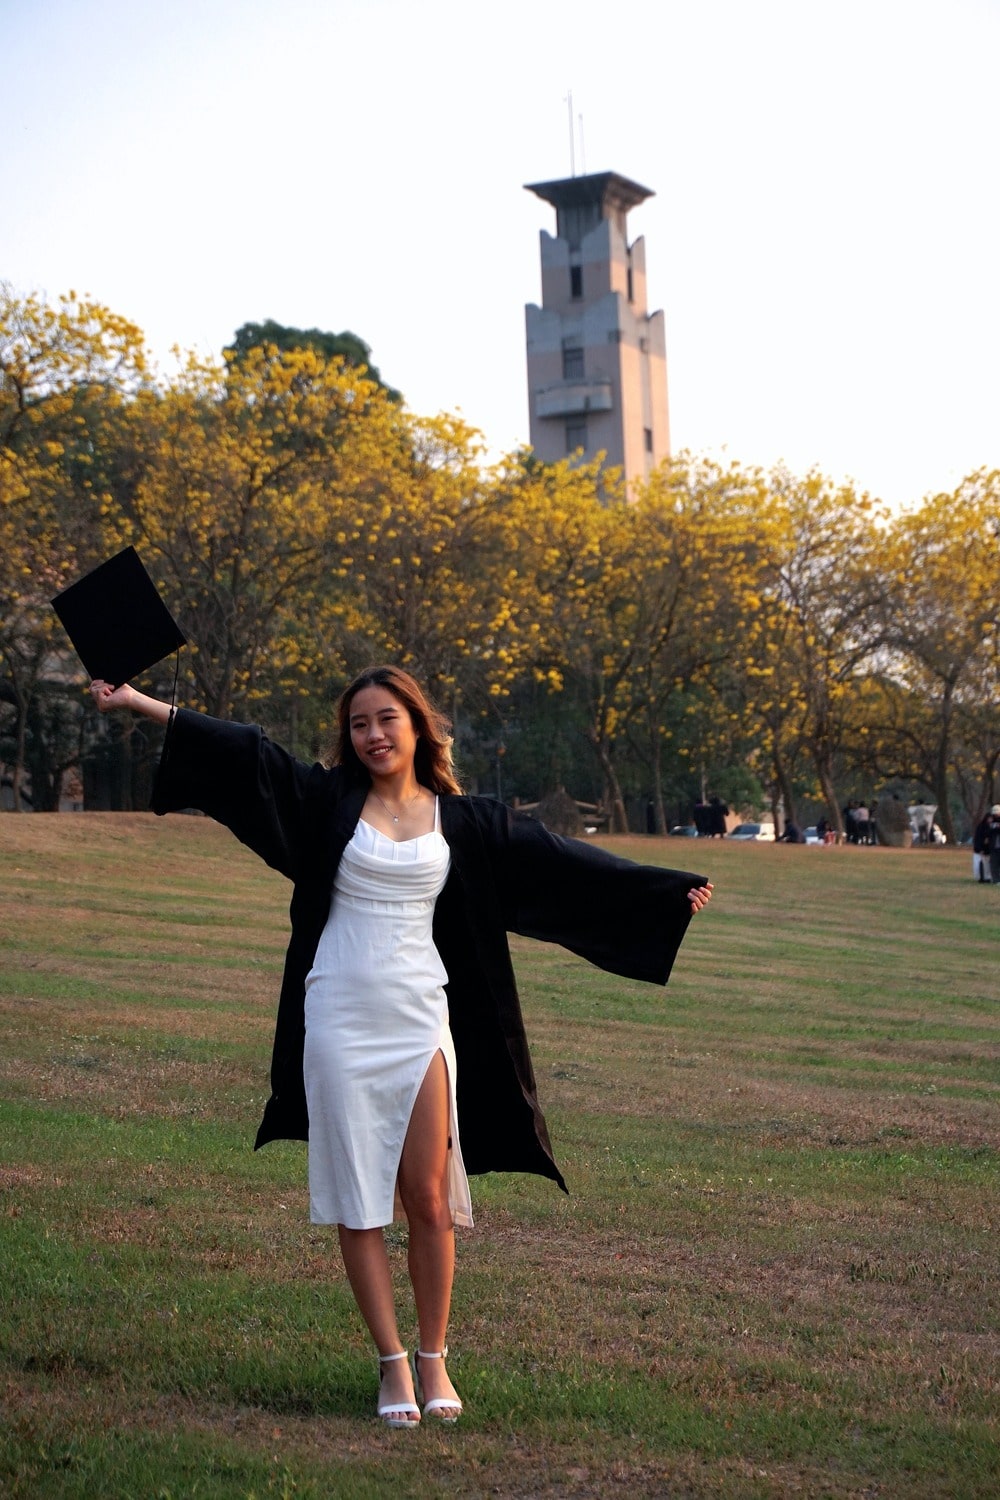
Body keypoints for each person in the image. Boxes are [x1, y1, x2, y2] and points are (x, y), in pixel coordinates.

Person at [90, 666, 713, 1428]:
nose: (374, 734)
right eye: (359, 724)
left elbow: (561, 864)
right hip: (340, 1014)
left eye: (387, 718)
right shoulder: (326, 803)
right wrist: (136, 702)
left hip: (420, 1017)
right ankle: (390, 1366)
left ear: (418, 725)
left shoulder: (466, 821)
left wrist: (662, 892)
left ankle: (434, 1357)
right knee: (358, 1199)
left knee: (427, 1199)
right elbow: (246, 754)